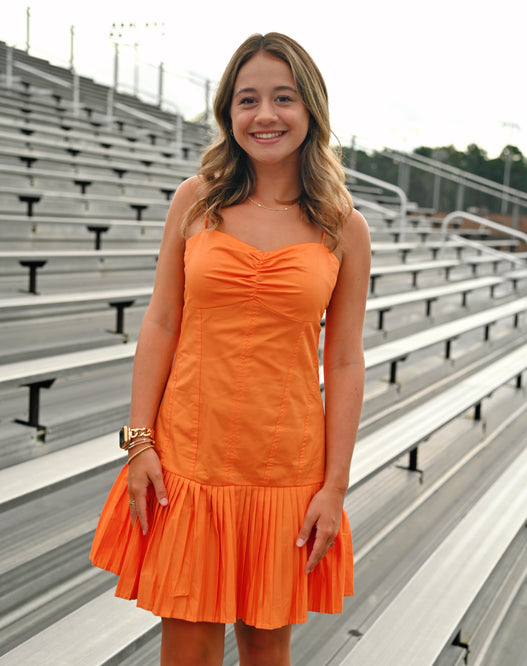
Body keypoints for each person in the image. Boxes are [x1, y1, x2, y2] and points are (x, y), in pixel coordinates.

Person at [90, 31, 371, 666]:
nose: (265, 115)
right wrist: (140, 441)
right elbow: (161, 322)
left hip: (286, 472)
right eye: (248, 99)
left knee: (267, 652)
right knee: (186, 649)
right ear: (228, 113)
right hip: (190, 459)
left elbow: (346, 359)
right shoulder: (196, 201)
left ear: (311, 110)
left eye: (283, 98)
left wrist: (334, 487)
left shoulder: (344, 225)